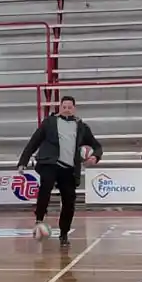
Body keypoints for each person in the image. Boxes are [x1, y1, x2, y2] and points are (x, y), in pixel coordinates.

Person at [17, 95, 103, 248]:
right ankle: (39, 220)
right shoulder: (49, 123)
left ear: (74, 109)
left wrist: (95, 157)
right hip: (50, 163)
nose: (67, 110)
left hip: (69, 169)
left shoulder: (82, 127)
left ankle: (64, 233)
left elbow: (97, 146)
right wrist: (23, 162)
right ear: (60, 108)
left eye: (70, 107)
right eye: (64, 107)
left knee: (69, 202)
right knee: (46, 186)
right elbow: (33, 142)